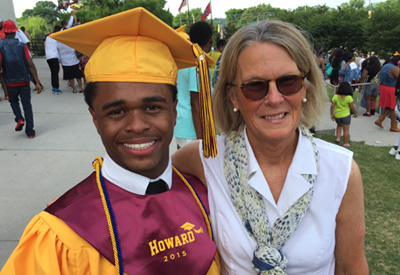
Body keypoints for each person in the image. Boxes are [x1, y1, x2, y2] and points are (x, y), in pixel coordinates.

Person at [0, 8, 219, 275]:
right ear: (95, 119)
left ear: (174, 110)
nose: (137, 125)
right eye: (116, 111)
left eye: (152, 107)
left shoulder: (206, 197)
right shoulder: (61, 232)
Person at [173, 19, 369, 274]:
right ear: (233, 96)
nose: (275, 98)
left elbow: (350, 267)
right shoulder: (203, 160)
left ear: (305, 88)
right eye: (255, 86)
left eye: (289, 82)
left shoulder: (341, 171)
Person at [174, 21, 213, 149]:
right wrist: (202, 140)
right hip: (193, 130)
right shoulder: (200, 62)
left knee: (183, 168)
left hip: (181, 125)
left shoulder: (184, 59)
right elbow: (196, 102)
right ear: (210, 40)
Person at [0, 20, 42, 139]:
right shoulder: (22, 46)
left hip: (10, 81)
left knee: (13, 101)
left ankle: (19, 119)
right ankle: (30, 132)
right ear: (14, 32)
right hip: (24, 80)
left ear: (3, 32)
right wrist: (37, 81)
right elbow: (30, 64)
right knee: (27, 105)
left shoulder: (0, 47)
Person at [374, 55, 400, 132]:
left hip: (383, 87)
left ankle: (384, 121)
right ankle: (391, 125)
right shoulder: (395, 68)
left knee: (390, 107)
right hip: (391, 88)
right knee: (392, 107)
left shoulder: (386, 65)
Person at [331, 81, 358, 146]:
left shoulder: (336, 97)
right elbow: (352, 107)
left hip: (337, 115)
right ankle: (345, 143)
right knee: (346, 130)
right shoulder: (349, 98)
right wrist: (355, 113)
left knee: (339, 125)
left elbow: (332, 106)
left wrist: (332, 114)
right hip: (346, 115)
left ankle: (338, 137)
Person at [44, 25, 62, 94]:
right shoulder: (56, 39)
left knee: (53, 72)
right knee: (55, 73)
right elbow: (59, 47)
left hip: (48, 57)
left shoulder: (48, 37)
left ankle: (54, 87)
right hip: (54, 57)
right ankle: (56, 88)